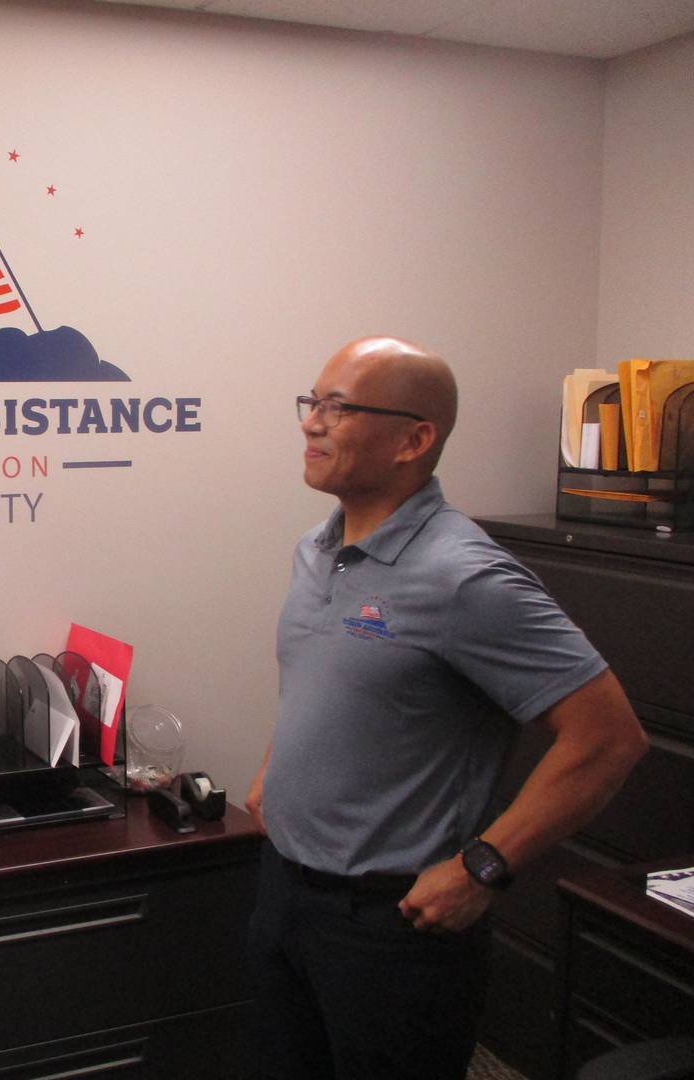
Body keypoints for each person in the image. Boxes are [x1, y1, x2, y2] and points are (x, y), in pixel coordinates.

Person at [243, 335, 648, 1080]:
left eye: (337, 407)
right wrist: (278, 771)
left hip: (390, 926)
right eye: (312, 402)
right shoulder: (316, 547)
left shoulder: (466, 578)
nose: (311, 423)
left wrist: (484, 866)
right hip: (285, 891)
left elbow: (609, 736)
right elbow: (326, 681)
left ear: (414, 439)